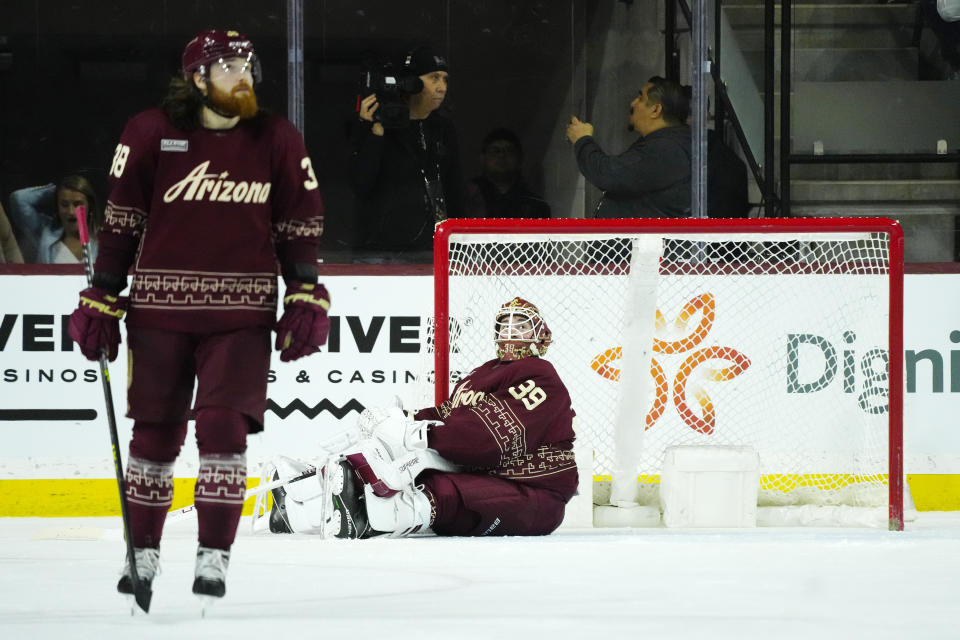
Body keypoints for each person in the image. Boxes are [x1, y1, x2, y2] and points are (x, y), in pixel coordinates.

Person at [66, 29, 330, 602]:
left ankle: (214, 555)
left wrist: (305, 291)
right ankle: (143, 550)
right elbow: (122, 221)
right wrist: (103, 293)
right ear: (197, 78)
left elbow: (298, 223)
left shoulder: (277, 138)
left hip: (243, 311)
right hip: (159, 312)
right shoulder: (151, 132)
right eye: (229, 65)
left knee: (222, 428)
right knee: (155, 435)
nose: (244, 75)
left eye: (248, 65)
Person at [261, 297, 577, 538]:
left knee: (441, 489)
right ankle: (295, 506)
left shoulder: (540, 374)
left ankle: (377, 520)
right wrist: (406, 418)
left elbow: (489, 436)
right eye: (506, 323)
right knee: (403, 467)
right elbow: (450, 413)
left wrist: (420, 435)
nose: (511, 331)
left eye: (521, 324)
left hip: (533, 489)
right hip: (487, 472)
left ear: (540, 334)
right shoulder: (483, 372)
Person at [349, 46, 463, 260]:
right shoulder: (377, 121)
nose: (442, 87)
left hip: (432, 247)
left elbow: (454, 189)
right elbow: (361, 184)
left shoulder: (443, 129)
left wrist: (460, 244)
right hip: (381, 252)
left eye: (445, 79)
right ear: (411, 82)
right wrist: (374, 132)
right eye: (434, 77)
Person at [566, 76, 691, 218]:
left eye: (640, 98)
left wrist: (582, 139)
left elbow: (607, 174)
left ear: (655, 110)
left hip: (645, 239)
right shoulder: (666, 144)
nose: (633, 103)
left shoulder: (666, 149)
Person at [7, 175, 102, 263]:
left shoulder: (104, 239)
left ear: (90, 206)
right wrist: (56, 191)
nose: (71, 212)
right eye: (64, 205)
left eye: (77, 204)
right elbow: (19, 199)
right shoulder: (45, 232)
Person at [464, 128, 551, 219]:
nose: (502, 156)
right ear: (483, 158)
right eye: (495, 151)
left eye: (509, 150)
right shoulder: (469, 198)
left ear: (520, 158)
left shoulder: (535, 205)